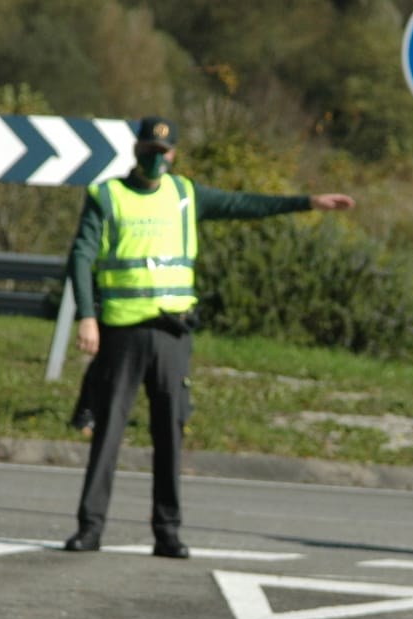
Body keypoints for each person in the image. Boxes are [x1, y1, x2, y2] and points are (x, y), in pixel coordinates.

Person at [62, 115, 355, 558]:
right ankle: (90, 528)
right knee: (108, 434)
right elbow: (81, 255)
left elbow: (243, 204)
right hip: (122, 332)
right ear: (136, 150)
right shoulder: (108, 195)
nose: (156, 159)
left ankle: (167, 532)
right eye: (149, 150)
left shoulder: (185, 195)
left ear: (174, 155)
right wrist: (87, 316)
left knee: (170, 433)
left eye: (163, 152)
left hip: (172, 334)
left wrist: (307, 202)